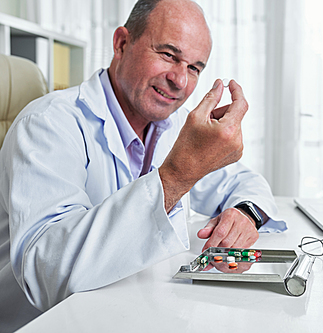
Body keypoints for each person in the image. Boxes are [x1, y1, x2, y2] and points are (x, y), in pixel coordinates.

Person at [0, 0, 286, 331]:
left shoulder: (173, 125)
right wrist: (177, 175)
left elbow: (243, 182)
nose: (180, 80)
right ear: (121, 43)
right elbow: (47, 274)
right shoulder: (47, 124)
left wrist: (245, 214)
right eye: (168, 55)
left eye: (194, 68)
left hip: (132, 310)